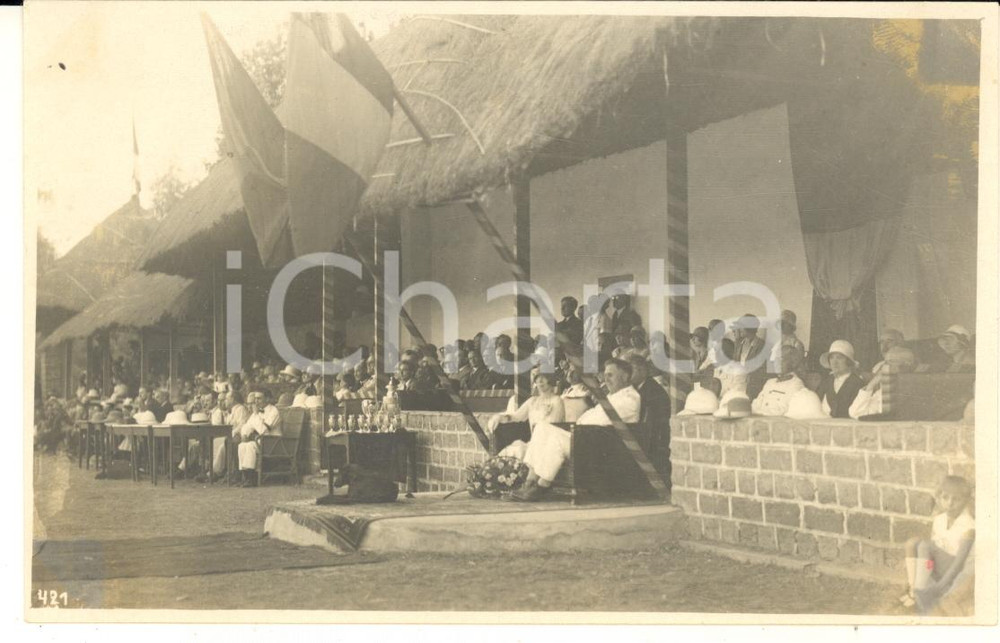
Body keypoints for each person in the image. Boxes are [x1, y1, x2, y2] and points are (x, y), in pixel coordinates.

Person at [511, 358, 641, 502]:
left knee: (556, 439)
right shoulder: (611, 396)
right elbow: (593, 417)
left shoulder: (630, 398)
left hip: (600, 445)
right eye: (605, 375)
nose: (606, 379)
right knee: (542, 427)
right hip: (587, 437)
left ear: (625, 376)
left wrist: (581, 424)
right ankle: (530, 481)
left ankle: (543, 485)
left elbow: (603, 421)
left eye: (610, 375)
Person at [901, 476, 975, 614]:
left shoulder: (968, 526)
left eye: (956, 499)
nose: (950, 503)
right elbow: (929, 557)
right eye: (945, 497)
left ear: (965, 501)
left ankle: (919, 591)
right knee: (912, 543)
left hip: (953, 570)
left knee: (925, 546)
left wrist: (940, 586)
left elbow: (959, 563)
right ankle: (913, 589)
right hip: (937, 566)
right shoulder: (939, 520)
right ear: (939, 498)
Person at [490, 372, 566, 458]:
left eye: (544, 377)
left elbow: (552, 427)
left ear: (550, 379)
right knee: (510, 452)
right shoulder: (533, 401)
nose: (540, 381)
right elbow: (516, 416)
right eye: (537, 378)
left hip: (549, 446)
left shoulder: (557, 401)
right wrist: (500, 418)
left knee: (520, 451)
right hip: (534, 444)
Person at [627, 354, 671, 484]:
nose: (627, 376)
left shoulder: (653, 391)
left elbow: (653, 425)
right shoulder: (638, 389)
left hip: (654, 444)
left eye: (630, 371)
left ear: (642, 371)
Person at [850, 346, 918, 420]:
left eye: (890, 361)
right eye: (885, 362)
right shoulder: (883, 390)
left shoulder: (913, 388)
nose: (883, 365)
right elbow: (855, 413)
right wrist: (871, 385)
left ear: (906, 365)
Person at [234, 391, 282, 487]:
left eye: (259, 398)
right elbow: (246, 426)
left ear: (267, 399)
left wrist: (256, 415)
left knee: (250, 446)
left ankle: (252, 479)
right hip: (262, 441)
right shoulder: (257, 412)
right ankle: (245, 477)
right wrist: (244, 434)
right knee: (242, 445)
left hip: (273, 442)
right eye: (255, 399)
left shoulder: (274, 411)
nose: (256, 401)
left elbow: (263, 430)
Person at [752, 345, 806, 416]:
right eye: (775, 359)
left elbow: (783, 412)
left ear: (793, 362)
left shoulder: (796, 385)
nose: (776, 362)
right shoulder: (770, 382)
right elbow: (755, 405)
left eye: (780, 359)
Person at [817, 340, 864, 418]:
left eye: (839, 357)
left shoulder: (857, 383)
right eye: (831, 358)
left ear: (848, 361)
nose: (834, 362)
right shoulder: (826, 382)